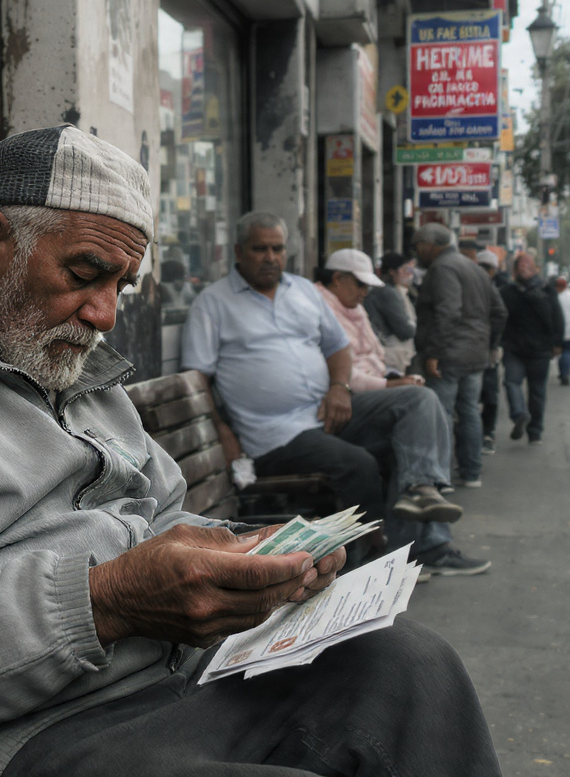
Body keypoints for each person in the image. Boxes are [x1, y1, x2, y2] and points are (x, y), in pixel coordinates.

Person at [0, 127, 501, 777]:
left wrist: (251, 558)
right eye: (83, 274)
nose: (103, 313)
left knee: (409, 669)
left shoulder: (69, 367)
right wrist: (106, 601)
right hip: (6, 740)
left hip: (161, 681)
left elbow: (164, 520)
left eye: (122, 286)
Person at [182, 222, 491, 578]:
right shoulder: (213, 302)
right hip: (275, 432)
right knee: (360, 462)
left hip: (327, 409)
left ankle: (420, 494)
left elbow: (338, 347)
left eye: (277, 249)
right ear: (239, 251)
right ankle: (382, 557)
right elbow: (197, 378)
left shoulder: (302, 290)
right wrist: (222, 430)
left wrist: (339, 388)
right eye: (259, 248)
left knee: (419, 401)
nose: (270, 257)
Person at [411, 224, 508, 488]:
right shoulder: (473, 268)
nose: (416, 251)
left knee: (441, 414)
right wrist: (487, 344)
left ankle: (441, 477)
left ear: (429, 245)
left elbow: (449, 312)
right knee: (469, 411)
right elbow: (499, 312)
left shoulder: (443, 268)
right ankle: (471, 471)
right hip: (474, 353)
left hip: (449, 354)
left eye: (418, 245)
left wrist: (435, 352)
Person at [499, 252, 564, 445]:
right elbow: (499, 317)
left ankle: (535, 431)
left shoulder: (546, 290)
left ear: (536, 268)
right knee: (511, 382)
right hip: (514, 348)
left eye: (527, 263)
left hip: (540, 350)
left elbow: (556, 317)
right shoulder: (507, 291)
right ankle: (519, 415)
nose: (523, 266)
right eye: (520, 264)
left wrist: (557, 343)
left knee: (537, 391)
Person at [363, 251, 418, 373]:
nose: (408, 273)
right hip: (390, 355)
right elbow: (405, 331)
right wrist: (412, 326)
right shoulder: (387, 293)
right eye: (404, 269)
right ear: (392, 271)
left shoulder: (390, 290)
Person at [475, 249, 505, 454]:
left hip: (486, 350)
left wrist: (493, 344)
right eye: (482, 267)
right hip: (471, 349)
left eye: (488, 268)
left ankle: (488, 433)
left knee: (489, 394)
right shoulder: (467, 286)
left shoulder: (496, 290)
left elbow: (501, 316)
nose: (485, 272)